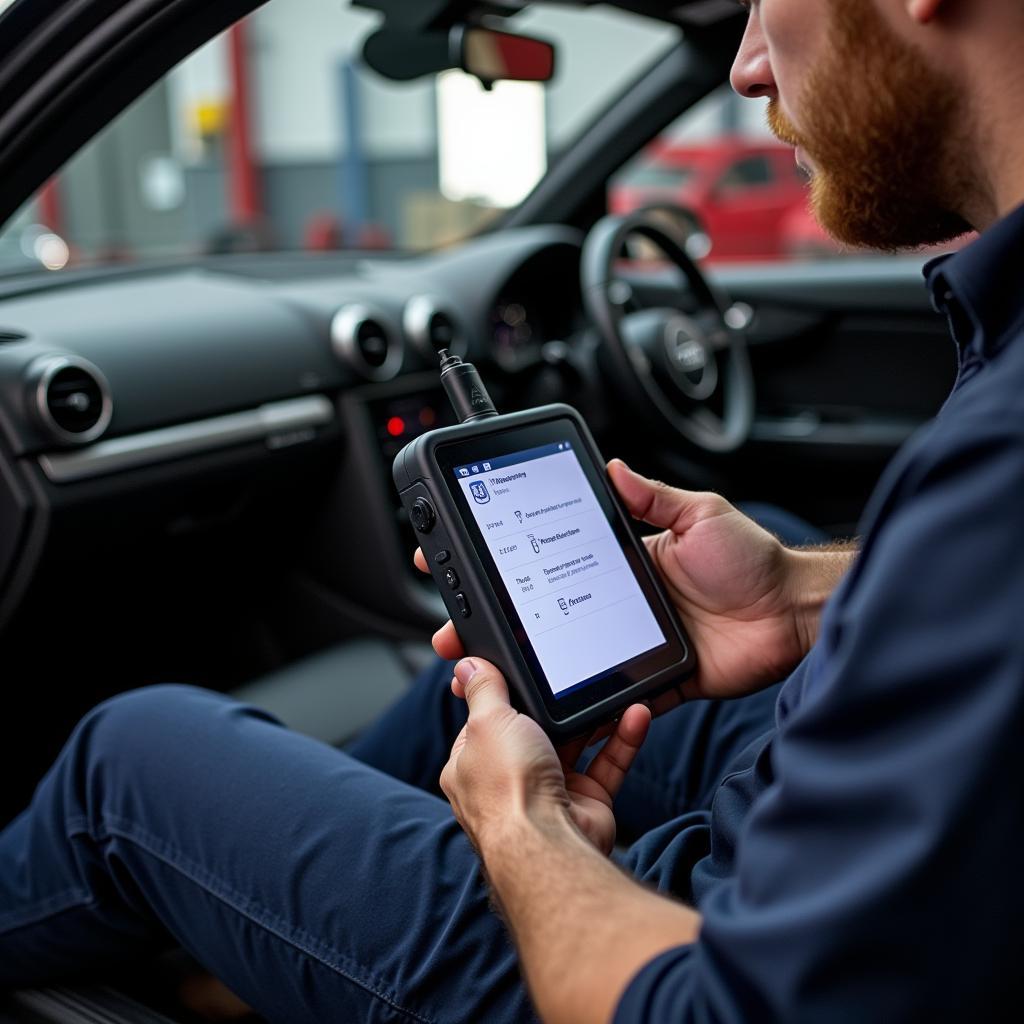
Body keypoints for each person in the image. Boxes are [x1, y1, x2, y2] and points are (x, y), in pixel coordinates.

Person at [4, 0, 1024, 1019]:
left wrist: (520, 832)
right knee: (525, 662)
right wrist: (803, 596)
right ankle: (249, 929)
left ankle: (229, 925)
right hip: (812, 857)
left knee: (127, 762)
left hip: (707, 946)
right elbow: (980, 594)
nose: (748, 67)